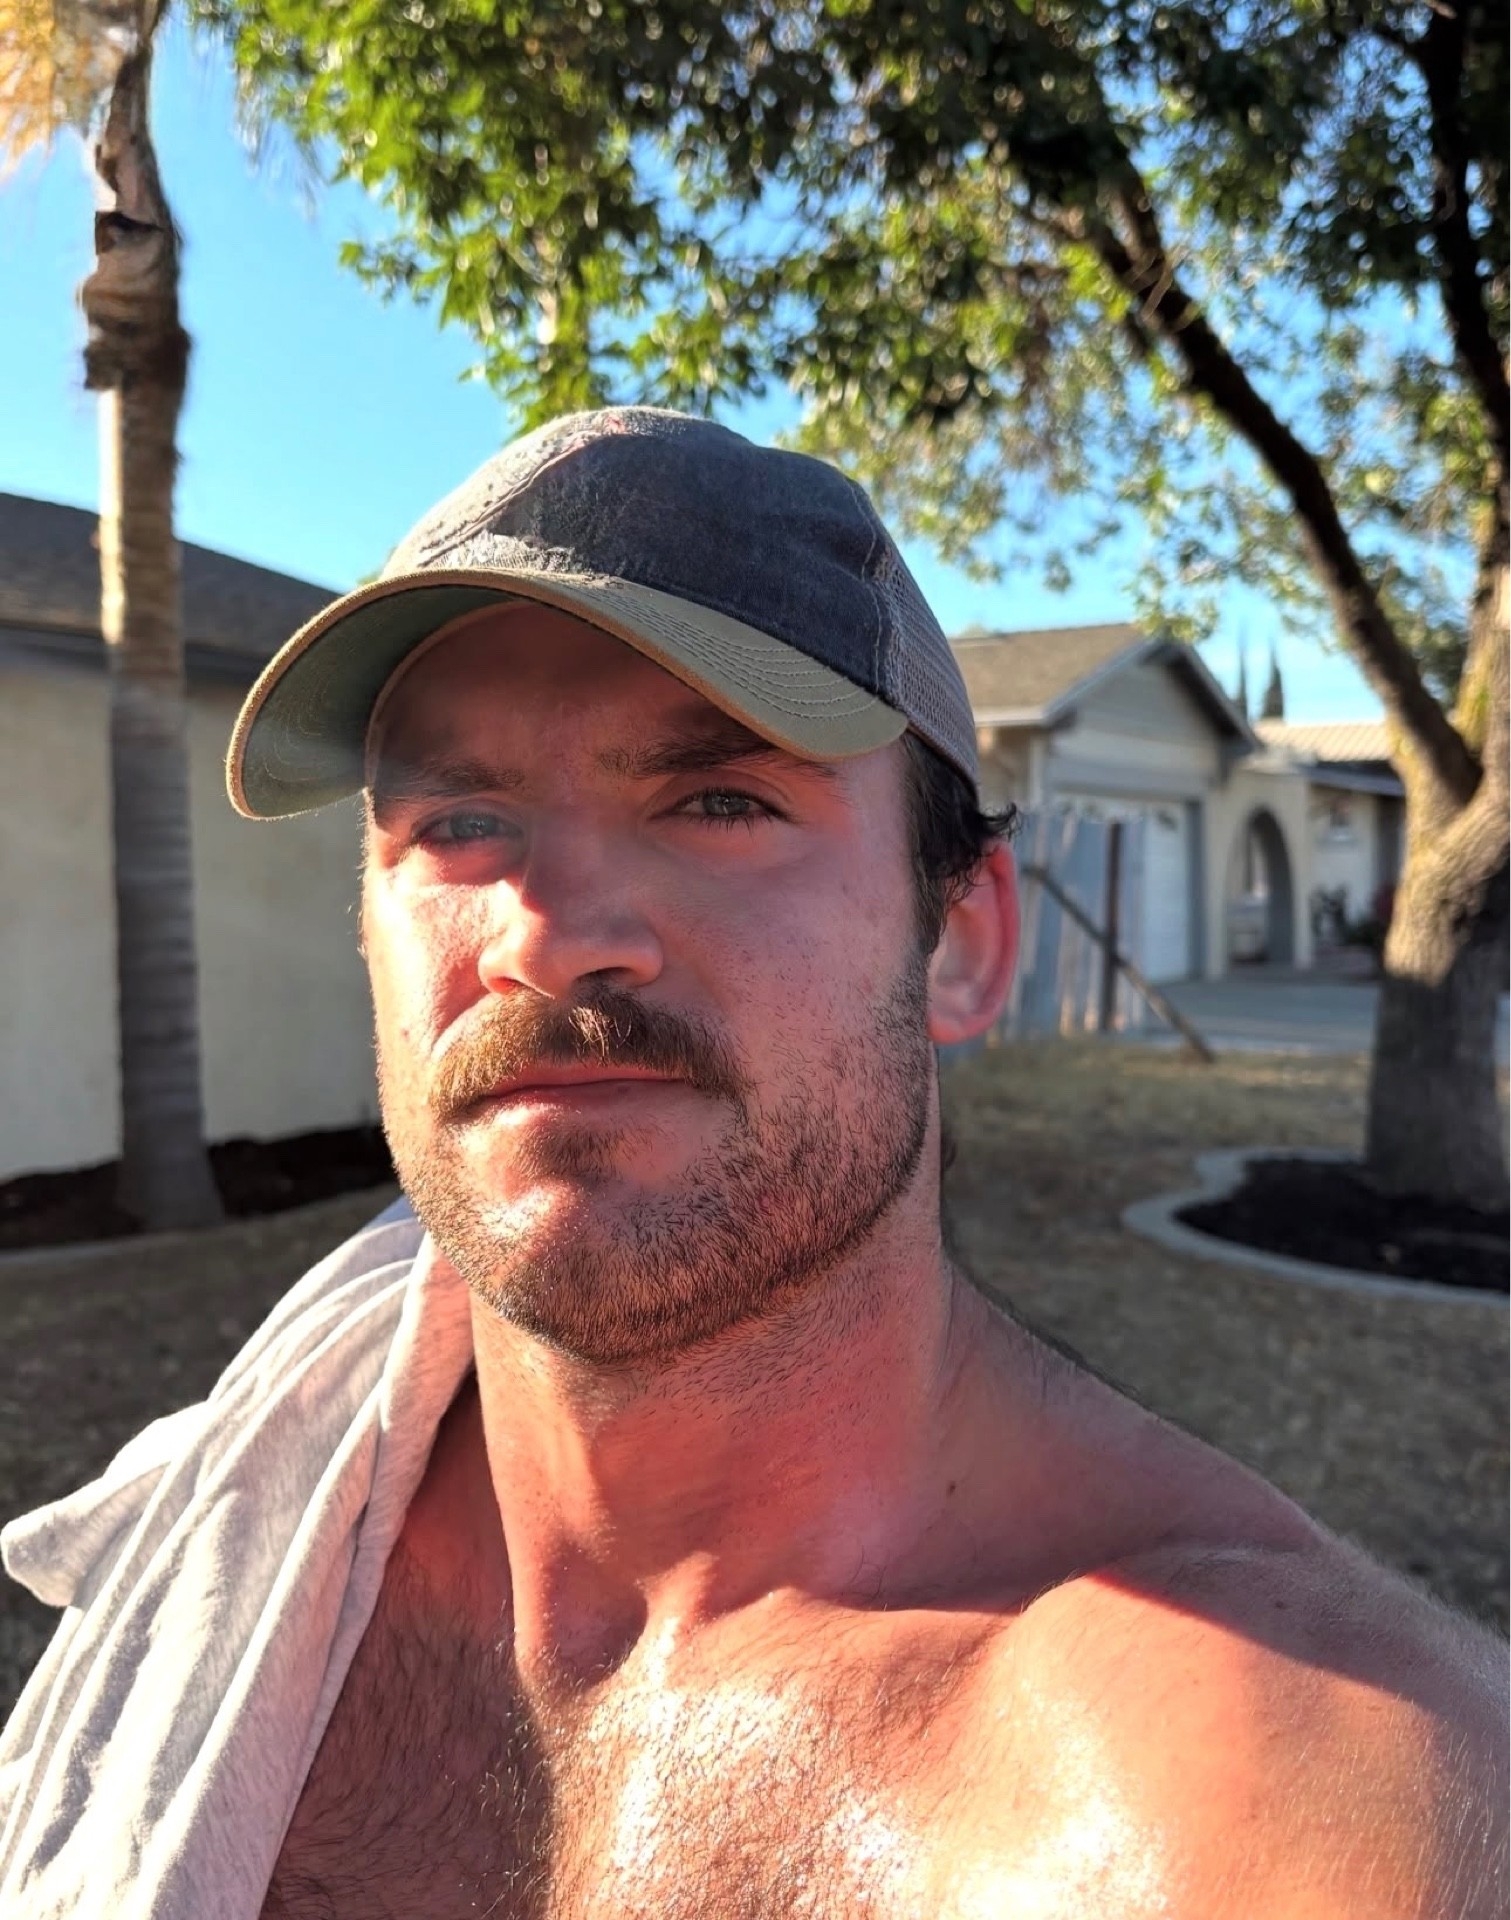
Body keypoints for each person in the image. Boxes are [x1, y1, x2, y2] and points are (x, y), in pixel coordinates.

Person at [1, 408, 1505, 1919]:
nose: (547, 936)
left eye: (720, 801)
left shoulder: (1278, 1804)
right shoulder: (263, 1539)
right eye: (458, 820)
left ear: (961, 941)